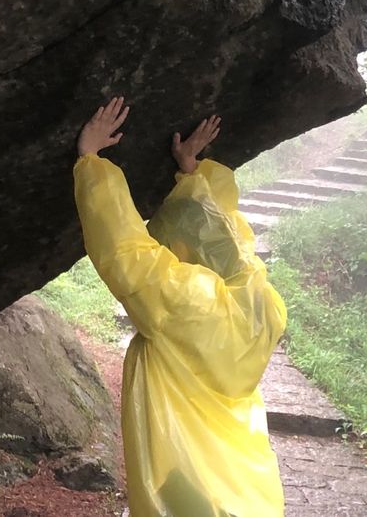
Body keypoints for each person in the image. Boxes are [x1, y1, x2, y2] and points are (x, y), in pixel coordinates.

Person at [72, 96, 288, 517]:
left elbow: (127, 253)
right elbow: (230, 236)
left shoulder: (187, 300)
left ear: (182, 249)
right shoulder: (262, 299)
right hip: (246, 483)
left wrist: (91, 160)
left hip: (190, 476)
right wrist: (192, 171)